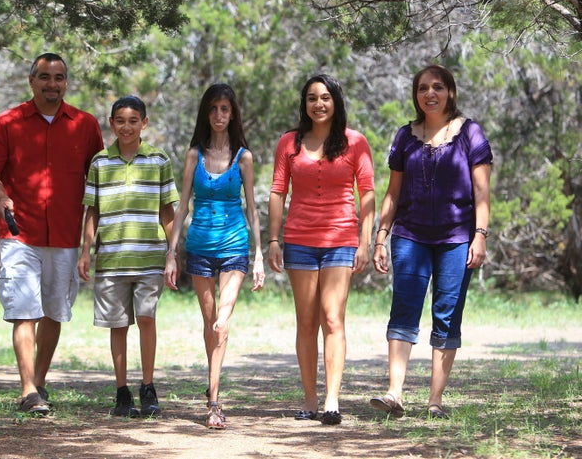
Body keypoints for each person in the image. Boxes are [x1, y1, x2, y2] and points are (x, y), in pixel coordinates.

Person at [0, 52, 103, 414]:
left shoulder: (86, 124)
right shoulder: (7, 122)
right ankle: (27, 389)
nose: (52, 84)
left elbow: (96, 181)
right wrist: (1, 196)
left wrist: (89, 240)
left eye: (59, 77)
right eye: (45, 77)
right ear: (31, 80)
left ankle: (40, 383)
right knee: (24, 311)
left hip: (65, 234)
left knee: (54, 312)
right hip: (19, 234)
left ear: (66, 82)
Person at [369, 64, 492, 420]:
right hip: (410, 235)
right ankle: (394, 393)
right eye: (423, 88)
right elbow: (392, 193)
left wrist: (480, 235)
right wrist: (381, 237)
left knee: (447, 315)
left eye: (437, 87)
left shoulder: (469, 133)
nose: (430, 94)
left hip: (457, 238)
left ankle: (434, 400)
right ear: (416, 95)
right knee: (404, 310)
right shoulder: (406, 136)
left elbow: (482, 190)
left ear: (449, 91)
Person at [267, 74, 375, 425]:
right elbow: (277, 192)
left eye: (325, 97)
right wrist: (273, 240)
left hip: (341, 239)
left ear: (336, 101)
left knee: (332, 318)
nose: (319, 104)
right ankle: (310, 400)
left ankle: (332, 400)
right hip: (298, 239)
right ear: (305, 104)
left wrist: (365, 239)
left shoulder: (355, 142)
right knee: (307, 321)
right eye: (312, 98)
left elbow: (368, 192)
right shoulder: (288, 142)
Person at [164, 84, 265, 429]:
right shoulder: (195, 155)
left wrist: (260, 256)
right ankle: (213, 396)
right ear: (206, 114)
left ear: (233, 113)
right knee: (210, 326)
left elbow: (252, 208)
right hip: (200, 247)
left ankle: (215, 401)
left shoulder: (244, 158)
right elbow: (181, 209)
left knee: (223, 319)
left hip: (236, 244)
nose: (220, 115)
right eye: (213, 109)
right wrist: (171, 255)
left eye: (225, 109)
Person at [78, 95, 179, 418]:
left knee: (147, 318)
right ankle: (122, 392)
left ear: (144, 124)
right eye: (120, 120)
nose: (127, 127)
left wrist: (172, 254)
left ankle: (147, 387)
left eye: (134, 121)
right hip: (111, 259)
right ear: (111, 123)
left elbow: (168, 212)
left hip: (149, 257)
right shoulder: (100, 163)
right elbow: (91, 212)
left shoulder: (158, 160)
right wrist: (86, 251)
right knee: (117, 325)